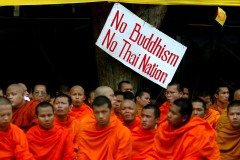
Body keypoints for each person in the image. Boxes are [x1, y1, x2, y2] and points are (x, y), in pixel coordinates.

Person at [147, 98, 220, 159]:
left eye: (174, 113)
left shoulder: (199, 131)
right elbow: (154, 153)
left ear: (184, 118)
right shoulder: (164, 128)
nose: (169, 115)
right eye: (169, 111)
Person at [77, 95, 132, 160]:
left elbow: (123, 157)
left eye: (104, 112)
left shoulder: (122, 132)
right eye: (97, 112)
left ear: (111, 110)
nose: (100, 116)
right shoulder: (87, 132)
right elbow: (82, 156)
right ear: (93, 113)